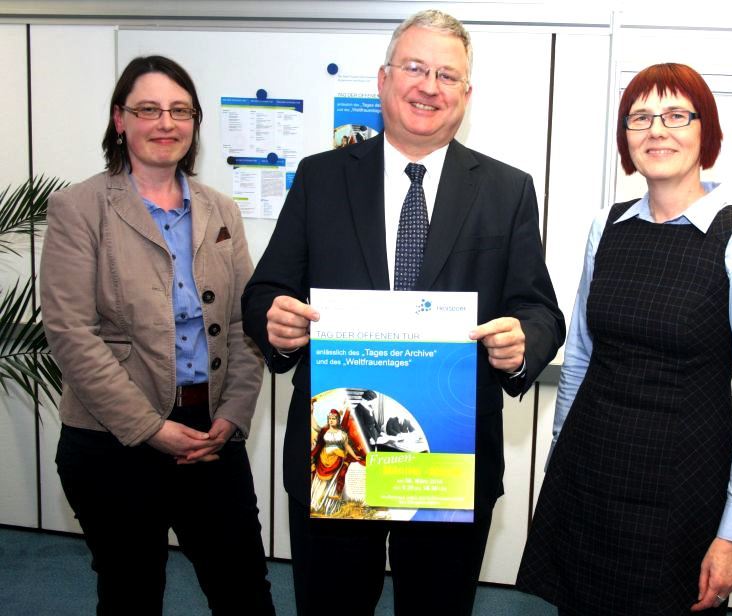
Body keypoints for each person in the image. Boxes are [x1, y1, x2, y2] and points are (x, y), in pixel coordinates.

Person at [241, 9, 565, 616]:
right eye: (415, 68)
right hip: (336, 450)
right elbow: (265, 290)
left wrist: (525, 340)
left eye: (447, 75)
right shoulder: (320, 178)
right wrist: (276, 326)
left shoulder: (506, 189)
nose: (429, 86)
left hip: (448, 453)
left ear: (466, 94)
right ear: (385, 79)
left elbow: (539, 307)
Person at [516, 63, 732, 616]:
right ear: (625, 139)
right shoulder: (605, 227)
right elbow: (582, 360)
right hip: (589, 474)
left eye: (675, 115)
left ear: (704, 132)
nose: (656, 130)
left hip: (682, 488)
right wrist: (557, 461)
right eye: (640, 117)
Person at [40, 55, 275, 616]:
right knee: (131, 591)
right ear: (120, 120)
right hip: (112, 441)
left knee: (245, 588)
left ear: (194, 123)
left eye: (179, 110)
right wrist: (149, 429)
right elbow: (71, 333)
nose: (164, 122)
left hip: (211, 436)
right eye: (148, 109)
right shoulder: (80, 207)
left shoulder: (220, 209)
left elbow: (245, 322)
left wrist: (234, 416)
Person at [310, 409, 362, 515]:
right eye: (330, 418)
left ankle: (328, 506)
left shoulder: (342, 434)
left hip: (336, 461)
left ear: (338, 420)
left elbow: (347, 446)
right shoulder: (324, 431)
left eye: (333, 419)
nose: (331, 420)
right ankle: (316, 504)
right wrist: (310, 413)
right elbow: (315, 426)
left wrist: (354, 456)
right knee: (320, 483)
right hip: (323, 460)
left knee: (331, 484)